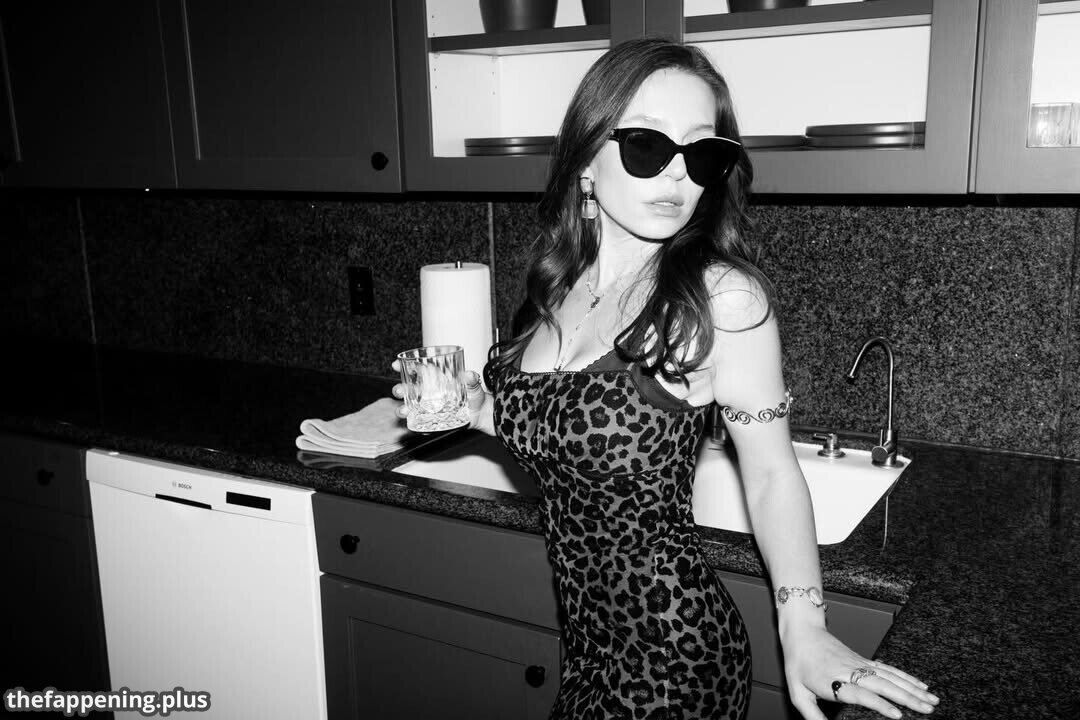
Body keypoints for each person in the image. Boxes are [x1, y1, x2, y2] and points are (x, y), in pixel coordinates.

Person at [395, 37, 939, 720]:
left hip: (675, 658)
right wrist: (482, 409)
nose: (679, 174)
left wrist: (803, 627)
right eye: (648, 146)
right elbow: (565, 431)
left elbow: (772, 474)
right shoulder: (559, 288)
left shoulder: (719, 300)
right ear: (586, 160)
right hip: (588, 652)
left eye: (702, 153)